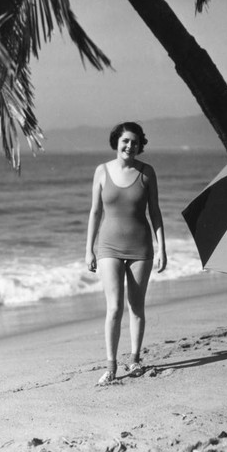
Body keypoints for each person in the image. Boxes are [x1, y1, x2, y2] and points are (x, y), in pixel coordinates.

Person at [85, 121, 167, 386]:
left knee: (136, 306)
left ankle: (134, 359)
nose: (130, 146)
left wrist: (162, 247)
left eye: (134, 142)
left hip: (141, 248)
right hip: (108, 246)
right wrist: (88, 249)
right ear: (116, 142)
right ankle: (111, 366)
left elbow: (154, 212)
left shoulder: (147, 172)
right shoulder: (101, 171)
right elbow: (95, 212)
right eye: (125, 141)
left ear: (140, 145)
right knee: (114, 308)